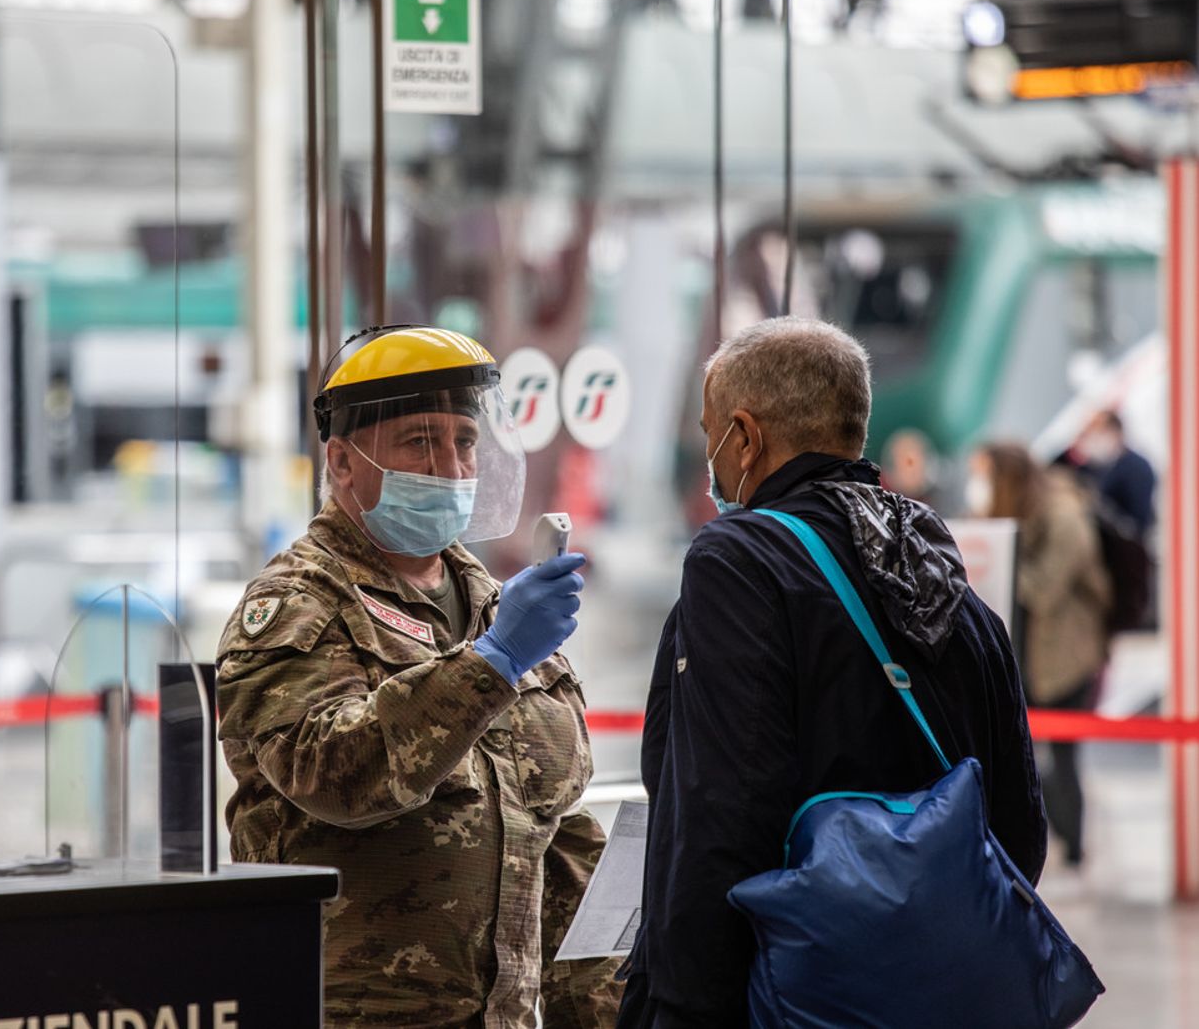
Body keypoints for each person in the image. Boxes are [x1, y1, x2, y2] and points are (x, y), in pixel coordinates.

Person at [618, 318, 1046, 1028]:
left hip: (790, 996)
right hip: (939, 991)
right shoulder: (953, 587)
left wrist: (680, 1002)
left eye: (710, 432)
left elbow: (721, 810)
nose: (711, 457)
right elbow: (1017, 838)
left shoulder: (741, 561)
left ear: (746, 438)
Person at [216, 326, 622, 1028]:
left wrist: (603, 1010)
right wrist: (491, 664)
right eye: (418, 442)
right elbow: (337, 773)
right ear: (343, 461)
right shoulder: (296, 604)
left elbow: (556, 838)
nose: (450, 466)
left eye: (464, 441)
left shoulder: (495, 608)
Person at [966, 441, 1110, 867]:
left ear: (1007, 476)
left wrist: (996, 556)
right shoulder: (1006, 510)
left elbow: (1045, 590)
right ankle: (1033, 839)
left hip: (1066, 658)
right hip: (1023, 657)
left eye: (987, 474)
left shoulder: (1065, 515)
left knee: (1064, 757)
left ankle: (1074, 846)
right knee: (1019, 753)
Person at [1076, 409, 1157, 539]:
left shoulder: (1136, 468)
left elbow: (1139, 523)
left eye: (1098, 434)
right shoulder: (1089, 468)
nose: (1092, 440)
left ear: (1116, 433)